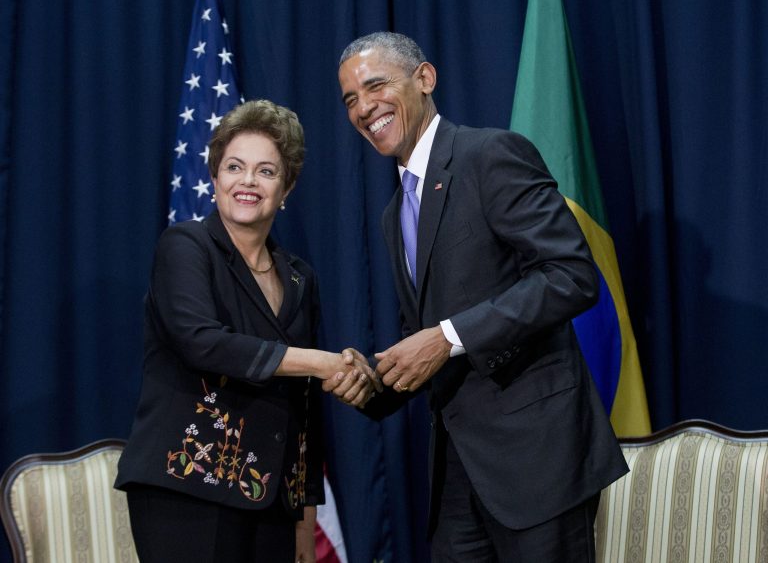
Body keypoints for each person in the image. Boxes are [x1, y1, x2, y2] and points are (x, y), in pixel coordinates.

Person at [327, 32, 629, 562]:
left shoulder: (490, 155)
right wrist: (374, 382)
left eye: (375, 85)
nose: (363, 108)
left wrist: (448, 338)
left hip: (538, 464)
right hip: (457, 477)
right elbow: (421, 340)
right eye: (350, 99)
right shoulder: (393, 214)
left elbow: (571, 274)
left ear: (425, 78)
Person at [115, 99, 376, 563]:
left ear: (287, 187)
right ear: (215, 178)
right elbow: (203, 343)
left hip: (273, 497)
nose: (248, 182)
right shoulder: (185, 247)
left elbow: (306, 404)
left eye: (266, 171)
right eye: (234, 167)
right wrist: (322, 361)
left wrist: (305, 511)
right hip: (188, 490)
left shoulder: (300, 278)